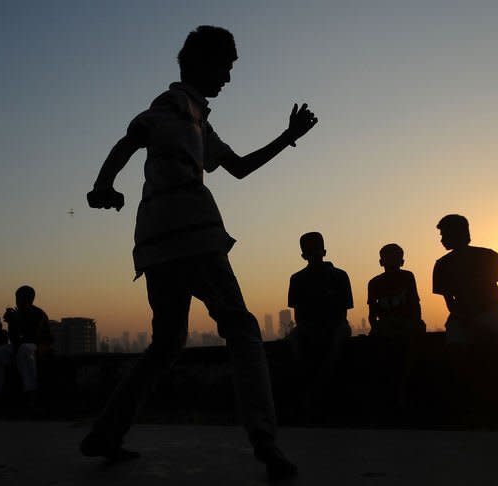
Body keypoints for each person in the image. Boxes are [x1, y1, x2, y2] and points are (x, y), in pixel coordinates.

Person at [82, 25, 317, 479]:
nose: (228, 77)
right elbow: (134, 135)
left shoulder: (198, 122)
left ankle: (107, 432)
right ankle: (265, 441)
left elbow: (240, 167)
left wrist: (288, 136)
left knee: (168, 341)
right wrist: (102, 183)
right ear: (200, 63)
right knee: (243, 329)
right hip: (191, 231)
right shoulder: (171, 105)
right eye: (225, 67)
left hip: (156, 241)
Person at [432, 215, 498, 348]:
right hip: (479, 315)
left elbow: (449, 300)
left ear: (456, 234)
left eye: (444, 235)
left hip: (484, 314)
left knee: (456, 344)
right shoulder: (487, 255)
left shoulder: (443, 264)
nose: (442, 240)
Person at [287, 232, 353, 421]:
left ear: (323, 251)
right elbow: (299, 316)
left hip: (335, 326)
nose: (314, 255)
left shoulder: (339, 276)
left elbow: (342, 314)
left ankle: (316, 391)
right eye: (310, 251)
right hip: (311, 328)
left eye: (315, 250)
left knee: (335, 342)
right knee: (297, 341)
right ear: (304, 256)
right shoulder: (297, 279)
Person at [367, 243, 424, 423]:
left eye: (395, 257)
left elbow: (415, 305)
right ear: (381, 261)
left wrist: (413, 322)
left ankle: (400, 388)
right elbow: (372, 314)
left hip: (405, 324)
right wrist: (376, 327)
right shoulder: (374, 283)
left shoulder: (407, 277)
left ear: (402, 260)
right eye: (389, 257)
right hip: (386, 325)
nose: (392, 261)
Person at [0, 286, 50, 407]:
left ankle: (31, 391)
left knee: (25, 350)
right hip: (19, 346)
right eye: (18, 298)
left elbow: (32, 337)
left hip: (38, 346)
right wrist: (11, 323)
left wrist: (17, 321)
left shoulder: (38, 314)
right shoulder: (18, 314)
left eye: (21, 298)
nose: (18, 301)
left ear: (29, 299)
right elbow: (14, 339)